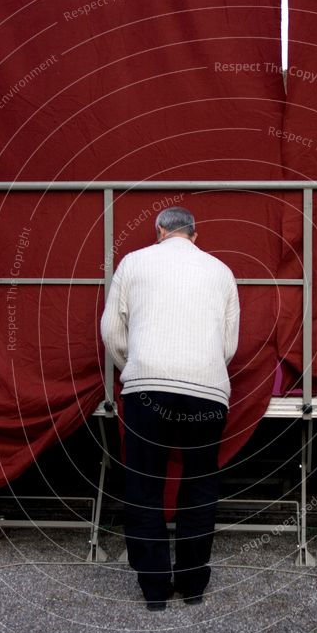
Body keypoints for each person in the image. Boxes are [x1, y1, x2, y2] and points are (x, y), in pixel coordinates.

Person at [100, 206, 240, 610]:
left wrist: (138, 366)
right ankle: (194, 587)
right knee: (200, 486)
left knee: (145, 487)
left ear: (159, 230)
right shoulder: (221, 271)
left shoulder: (133, 262)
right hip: (208, 391)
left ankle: (155, 592)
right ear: (196, 236)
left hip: (147, 388)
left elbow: (111, 330)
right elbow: (228, 345)